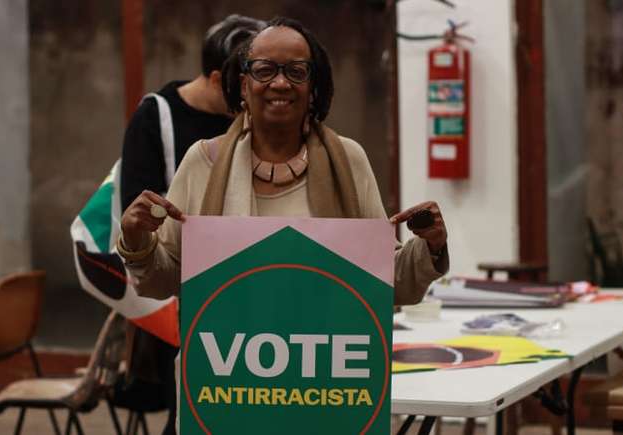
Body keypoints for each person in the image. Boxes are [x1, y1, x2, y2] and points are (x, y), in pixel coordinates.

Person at [117, 16, 448, 308]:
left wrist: (429, 246)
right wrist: (135, 239)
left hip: (325, 366)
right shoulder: (203, 162)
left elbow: (384, 279)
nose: (280, 82)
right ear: (244, 86)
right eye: (264, 70)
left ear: (313, 86)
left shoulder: (348, 161)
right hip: (225, 369)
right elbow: (167, 278)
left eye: (296, 71)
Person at [116, 14, 265, 435]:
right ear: (220, 79)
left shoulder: (254, 121)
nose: (256, 95)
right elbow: (139, 214)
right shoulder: (157, 117)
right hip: (183, 291)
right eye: (247, 82)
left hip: (251, 288)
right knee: (191, 409)